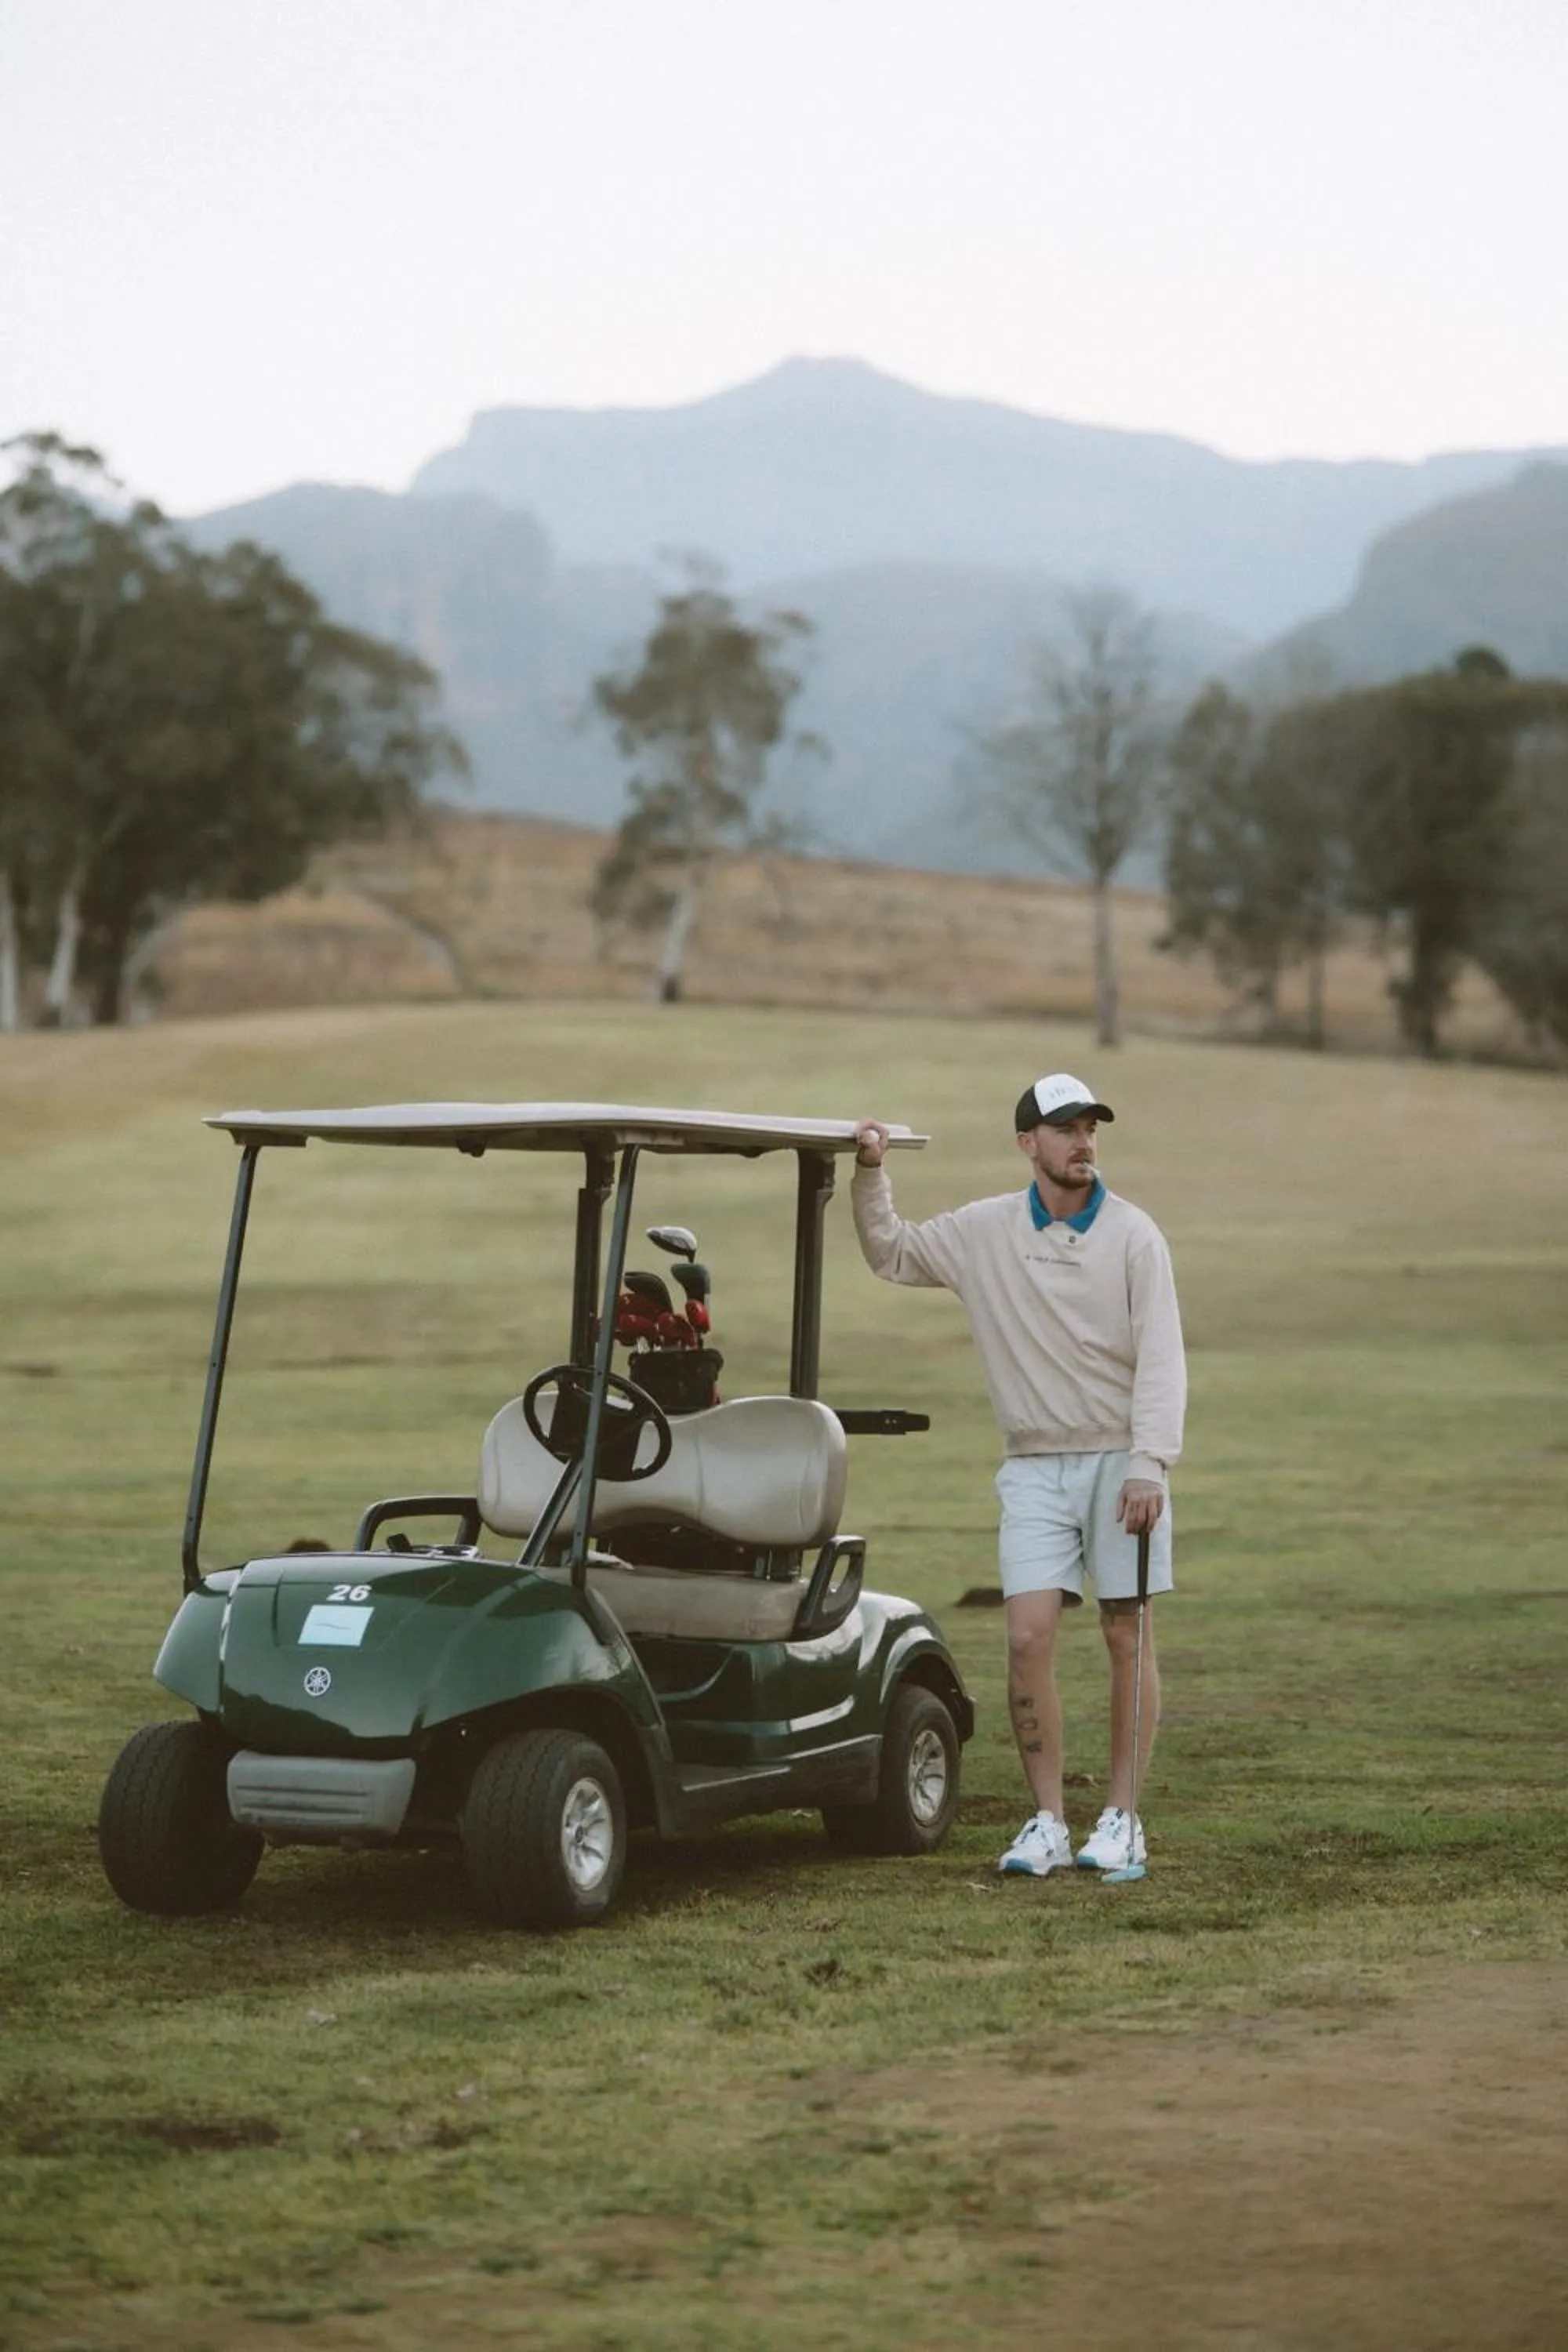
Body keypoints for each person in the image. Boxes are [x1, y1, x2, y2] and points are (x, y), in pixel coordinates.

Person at [852, 1073, 1186, 1876]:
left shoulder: (1134, 1235)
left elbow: (1161, 1359)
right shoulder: (984, 1231)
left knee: (1123, 1631)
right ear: (1026, 1143)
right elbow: (891, 1251)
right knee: (1026, 1635)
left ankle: (1122, 1818)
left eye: (1089, 1128)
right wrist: (868, 1172)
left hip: (1120, 1461)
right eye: (1065, 1129)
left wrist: (1148, 1462)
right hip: (1032, 1463)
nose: (1082, 1142)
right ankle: (1045, 1821)